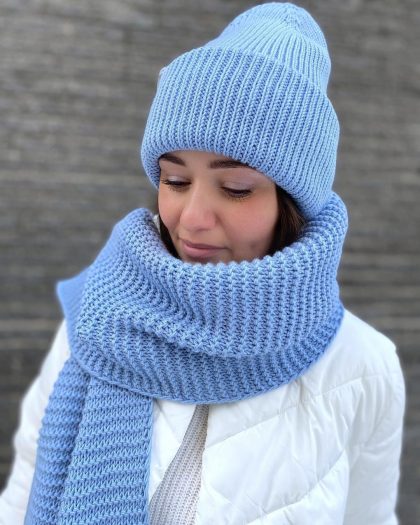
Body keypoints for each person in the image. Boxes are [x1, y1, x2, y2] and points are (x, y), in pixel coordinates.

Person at [0, 2, 406, 524]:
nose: (191, 218)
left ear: (293, 203)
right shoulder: (95, 323)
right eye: (175, 180)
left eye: (234, 188)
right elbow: (21, 500)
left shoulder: (364, 368)